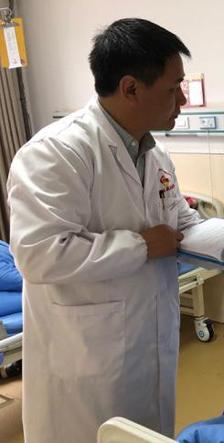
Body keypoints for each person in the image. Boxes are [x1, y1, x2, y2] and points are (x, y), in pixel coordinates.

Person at [7, 18, 200, 442]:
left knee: (144, 432)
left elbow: (179, 220)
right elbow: (40, 254)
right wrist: (141, 246)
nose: (182, 100)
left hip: (148, 338)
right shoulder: (55, 152)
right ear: (131, 89)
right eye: (173, 88)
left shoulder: (154, 154)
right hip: (88, 355)